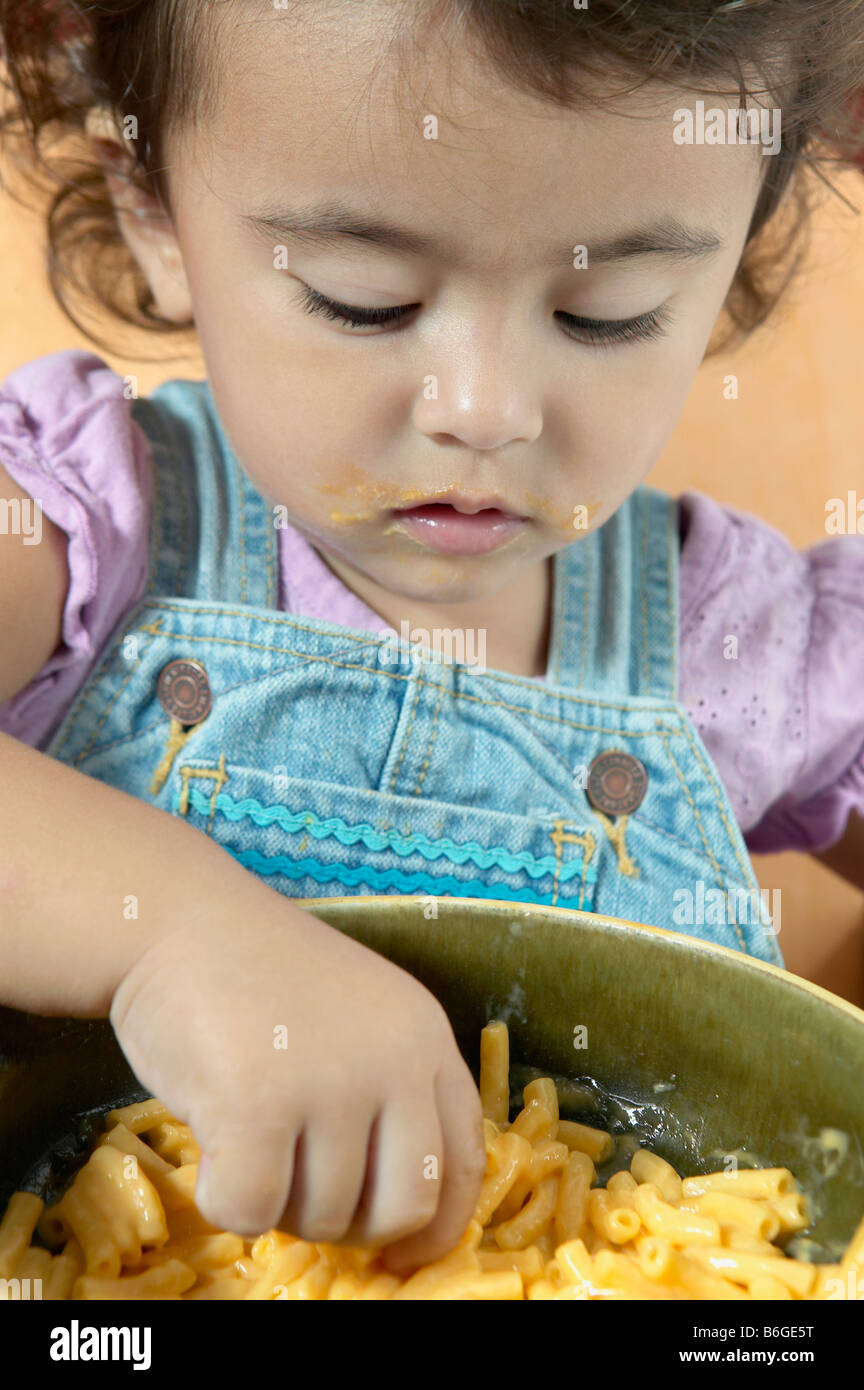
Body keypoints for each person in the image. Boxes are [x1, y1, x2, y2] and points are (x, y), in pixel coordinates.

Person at [0, 0, 862, 1274]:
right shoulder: (84, 518)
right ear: (155, 215)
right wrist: (175, 934)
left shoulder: (743, 641)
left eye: (608, 311)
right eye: (365, 300)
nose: (486, 411)